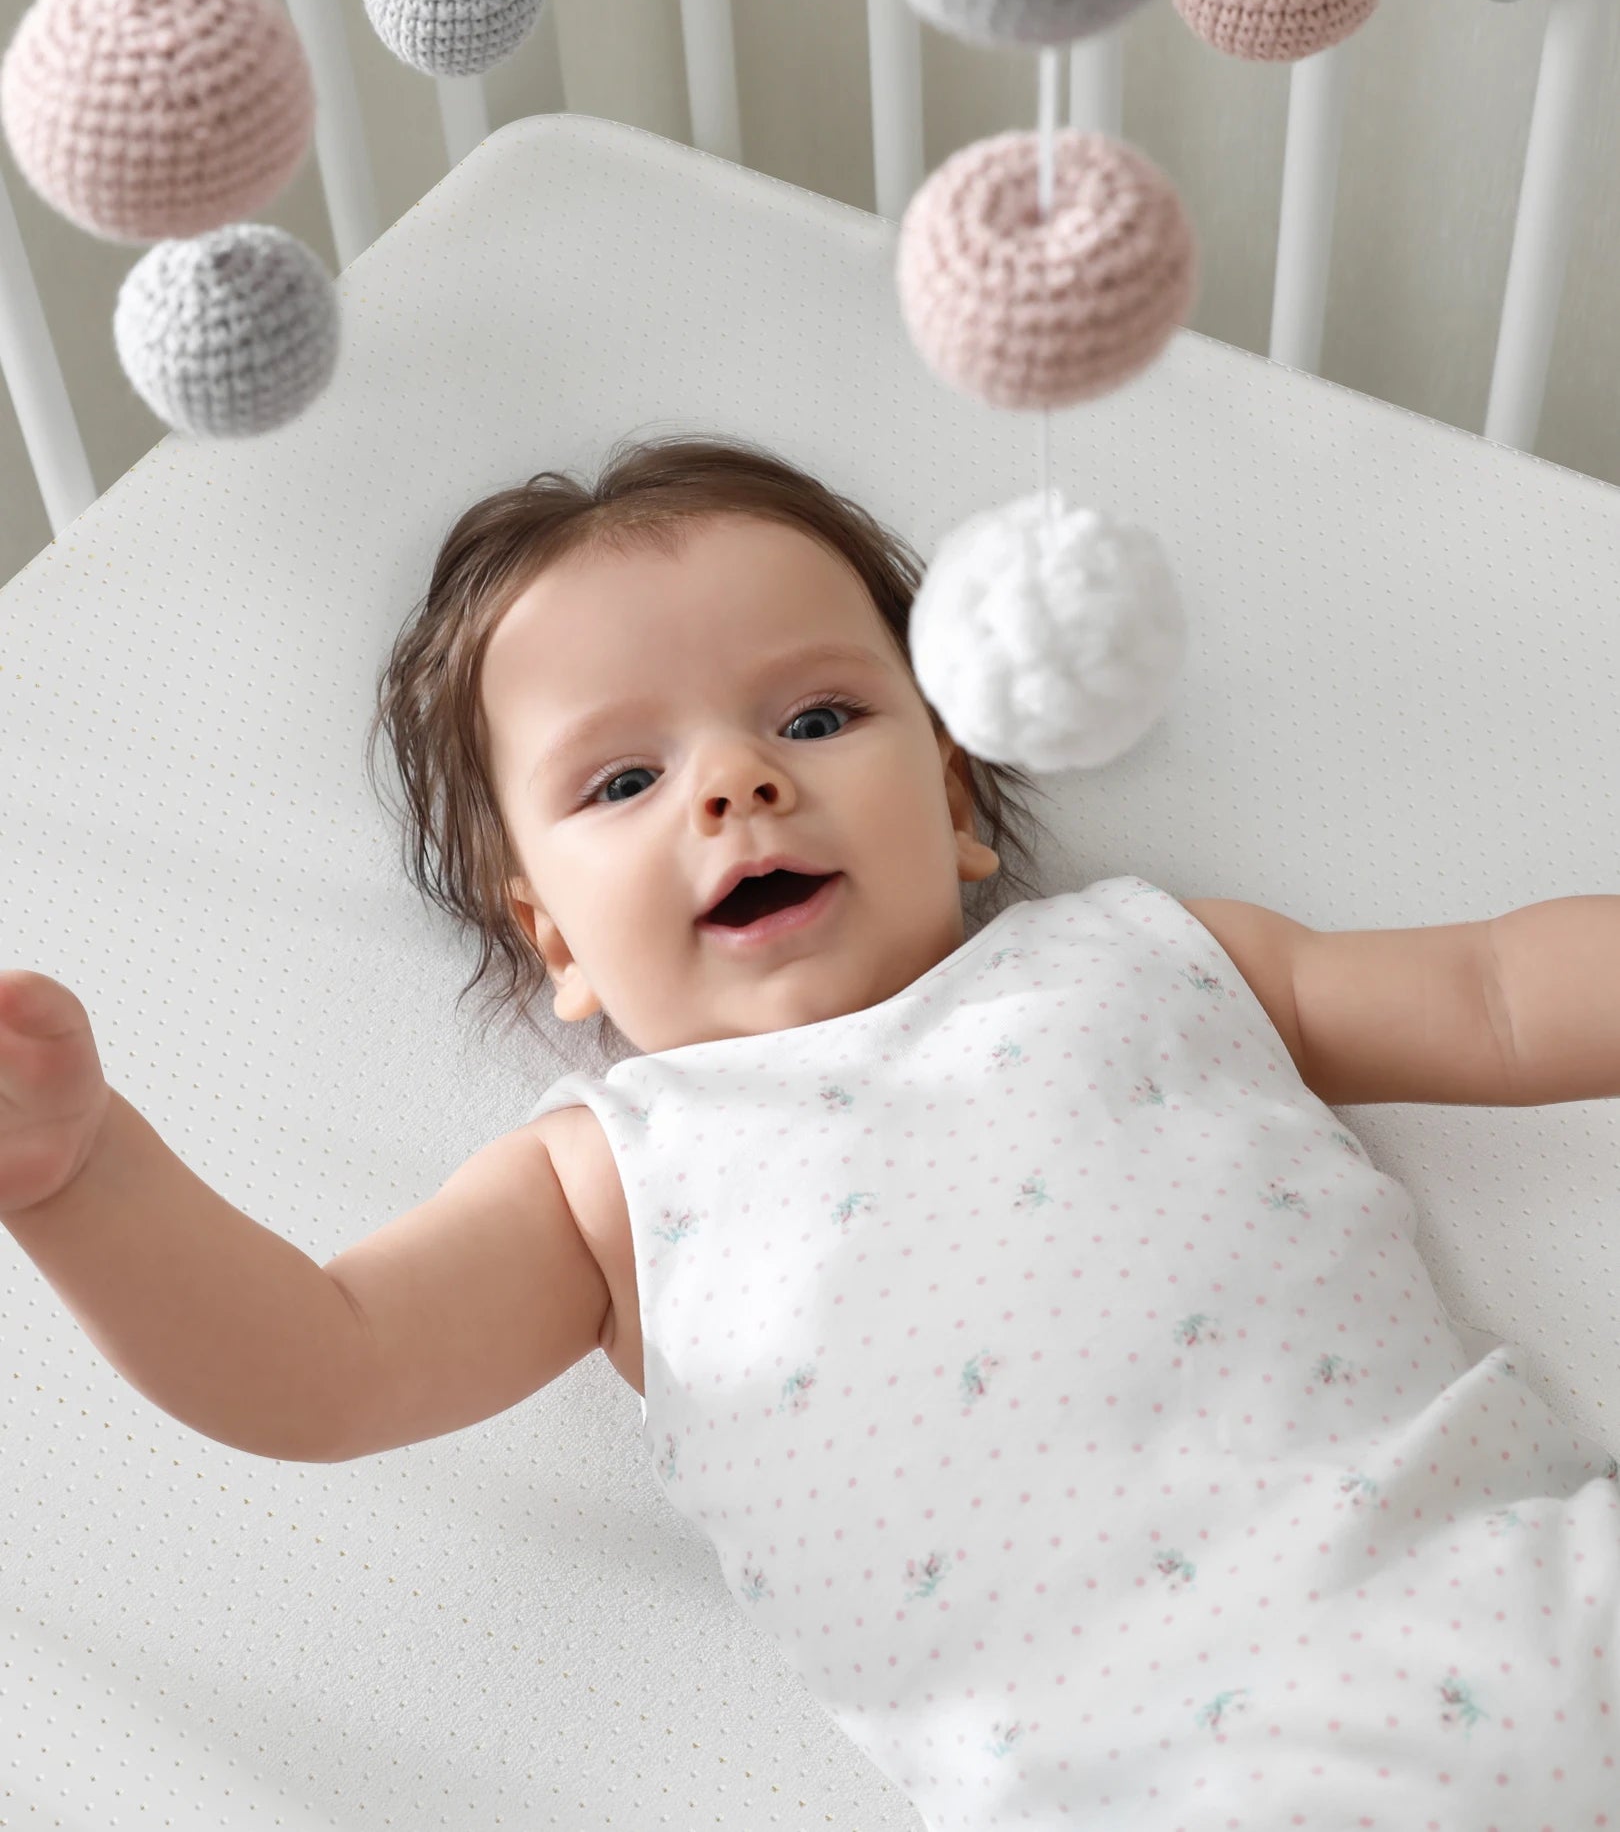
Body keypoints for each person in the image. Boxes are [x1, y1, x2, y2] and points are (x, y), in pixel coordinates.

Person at [3, 429, 1617, 1826]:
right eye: (624, 780)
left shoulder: (1155, 956)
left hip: (1531, 1605)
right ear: (551, 937)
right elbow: (325, 1358)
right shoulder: (611, 1184)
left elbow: (1492, 993)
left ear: (963, 805)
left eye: (820, 719)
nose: (735, 784)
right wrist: (84, 1178)